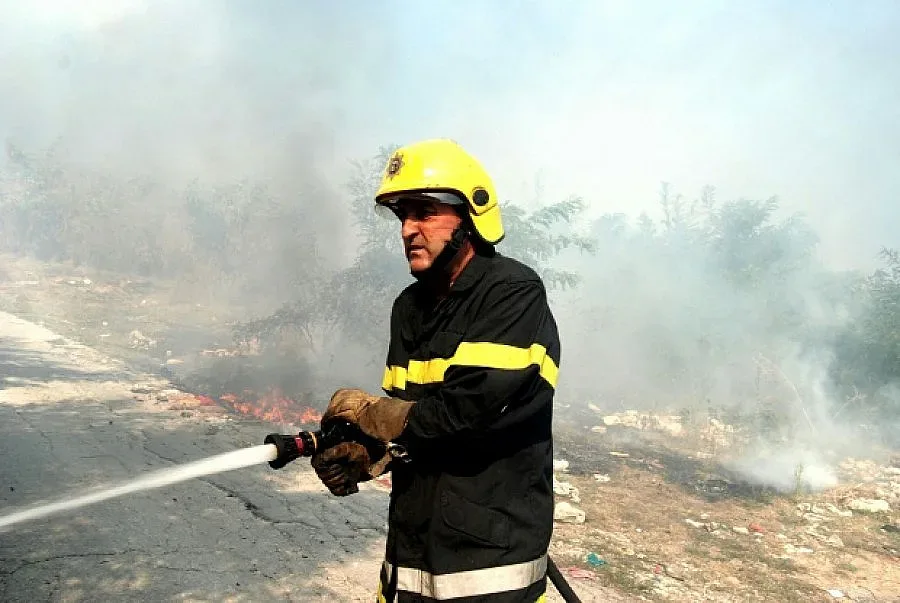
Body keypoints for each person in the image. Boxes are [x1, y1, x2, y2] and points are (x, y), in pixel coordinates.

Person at [311, 139, 561, 602]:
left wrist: (372, 416)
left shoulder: (511, 293)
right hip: (411, 555)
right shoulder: (409, 308)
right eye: (402, 215)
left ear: (470, 216)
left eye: (424, 212)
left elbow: (468, 410)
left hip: (489, 570)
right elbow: (412, 422)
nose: (408, 229)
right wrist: (368, 455)